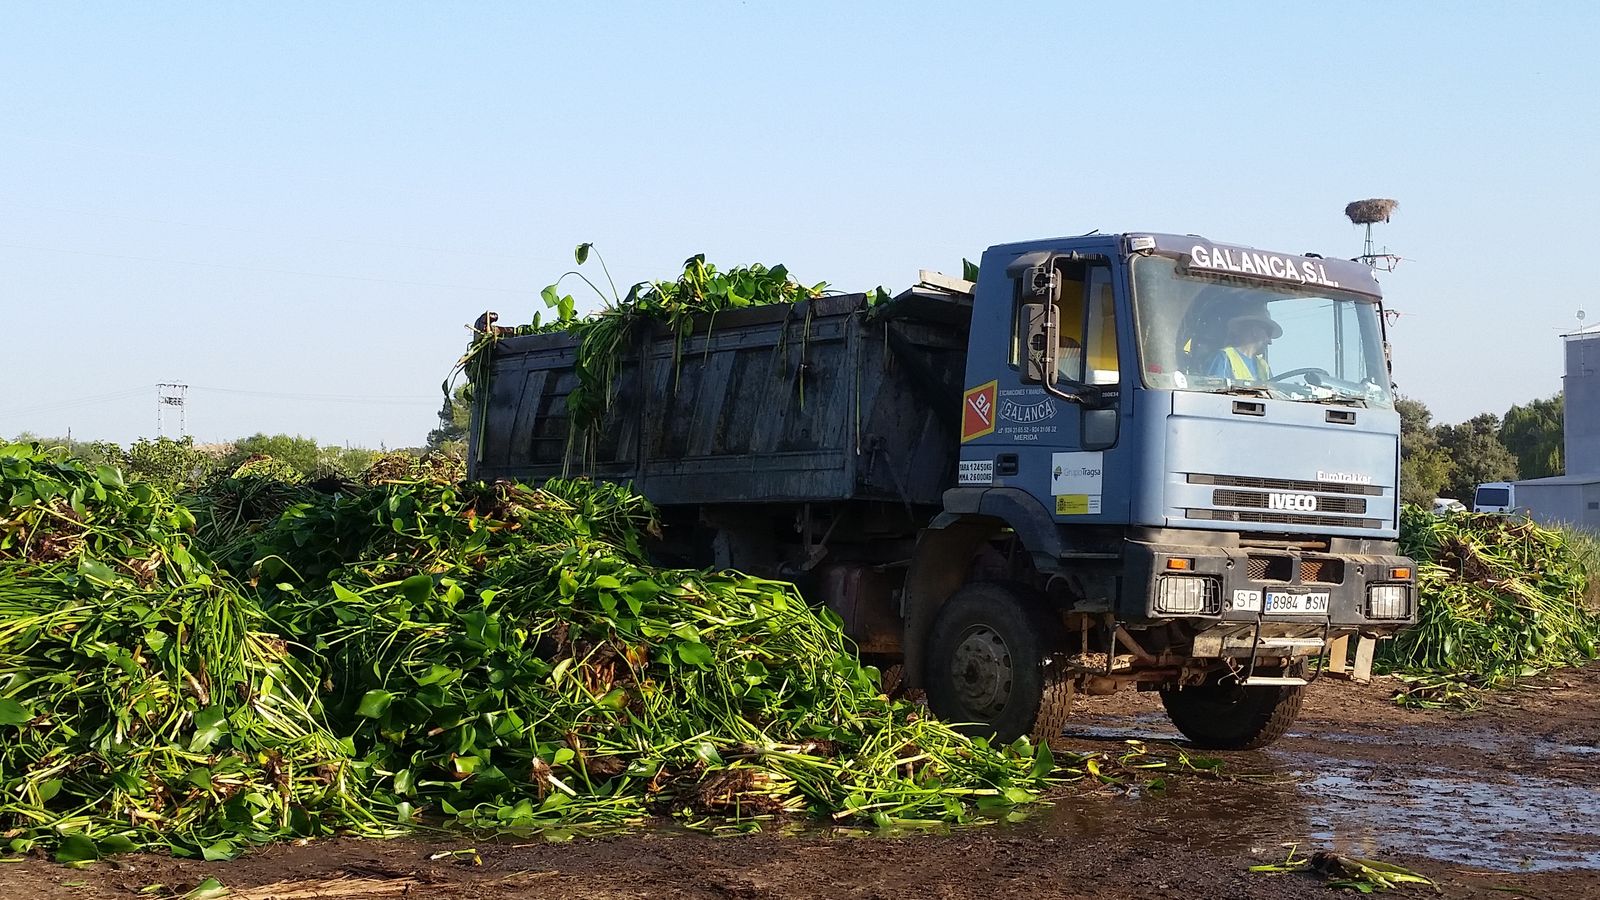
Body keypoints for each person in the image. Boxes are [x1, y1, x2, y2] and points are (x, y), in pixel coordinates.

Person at [1207, 311, 1281, 381]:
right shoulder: (1224, 358)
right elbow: (1215, 390)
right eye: (1269, 333)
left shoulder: (1264, 366)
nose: (1270, 342)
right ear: (1255, 331)